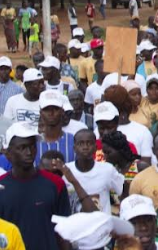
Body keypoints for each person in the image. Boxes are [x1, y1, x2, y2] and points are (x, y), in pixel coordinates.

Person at [0, 121, 71, 249]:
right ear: (7, 153)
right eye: (22, 147)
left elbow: (65, 232)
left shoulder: (56, 183)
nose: (29, 152)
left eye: (32, 146)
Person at [66, 128, 125, 214]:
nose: (85, 147)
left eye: (89, 143)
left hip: (102, 224)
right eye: (80, 143)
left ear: (96, 147)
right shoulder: (66, 171)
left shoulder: (107, 169)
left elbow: (123, 190)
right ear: (74, 148)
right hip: (75, 225)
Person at [36, 90, 77, 165]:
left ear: (62, 111)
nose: (51, 113)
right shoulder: (33, 143)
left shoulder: (75, 141)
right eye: (46, 109)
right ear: (41, 112)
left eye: (55, 108)